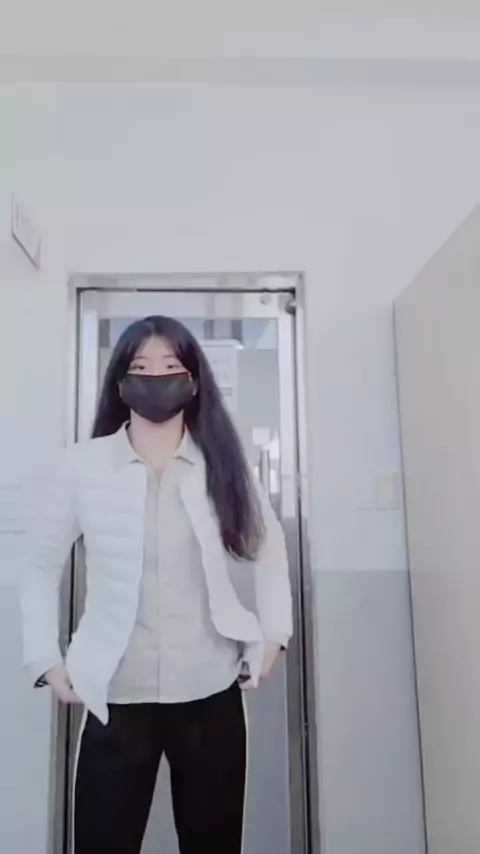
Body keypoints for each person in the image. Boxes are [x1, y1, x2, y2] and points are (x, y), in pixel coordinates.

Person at [21, 314, 293, 854]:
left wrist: (274, 636)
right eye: (141, 367)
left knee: (213, 842)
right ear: (121, 382)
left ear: (193, 380)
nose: (155, 378)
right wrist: (44, 660)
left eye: (169, 366)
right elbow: (39, 563)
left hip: (208, 688)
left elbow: (269, 546)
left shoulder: (221, 462)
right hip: (116, 692)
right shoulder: (84, 465)